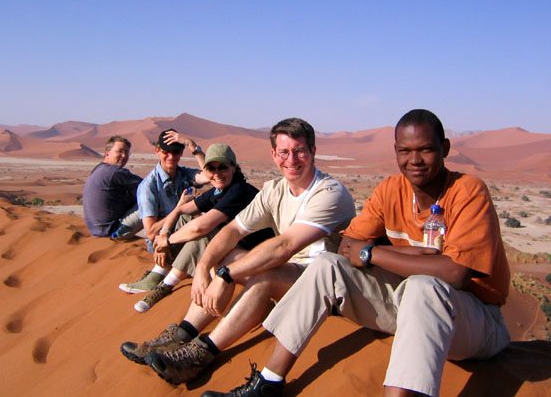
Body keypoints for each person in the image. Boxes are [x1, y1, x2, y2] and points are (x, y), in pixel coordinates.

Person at [201, 109, 511, 397]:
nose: (414, 160)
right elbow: (348, 247)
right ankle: (268, 382)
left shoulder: (468, 191)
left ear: (444, 148)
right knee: (327, 265)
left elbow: (455, 273)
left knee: (423, 285)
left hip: (475, 321)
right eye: (405, 151)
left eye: (425, 149)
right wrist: (415, 257)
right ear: (396, 152)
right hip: (407, 308)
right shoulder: (391, 189)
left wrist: (375, 254)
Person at [120, 117, 356, 385]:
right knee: (221, 253)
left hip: (324, 287)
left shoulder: (328, 192)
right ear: (274, 155)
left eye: (299, 150)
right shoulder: (274, 190)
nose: (291, 159)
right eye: (284, 152)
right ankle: (177, 337)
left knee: (264, 274)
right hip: (289, 272)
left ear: (313, 152)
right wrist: (202, 267)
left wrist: (224, 276)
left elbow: (285, 246)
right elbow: (232, 230)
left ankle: (197, 356)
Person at [131, 143, 274, 313]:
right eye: (211, 169)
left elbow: (201, 227)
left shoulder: (239, 190)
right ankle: (160, 271)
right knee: (185, 220)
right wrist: (164, 233)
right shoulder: (216, 191)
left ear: (234, 168)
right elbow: (182, 211)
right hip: (233, 249)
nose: (217, 174)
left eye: (223, 168)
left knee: (206, 233)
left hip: (255, 256)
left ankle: (166, 285)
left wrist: (166, 242)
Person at [119, 129, 209, 293]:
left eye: (176, 152)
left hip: (180, 234)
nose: (171, 156)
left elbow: (210, 175)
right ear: (157, 151)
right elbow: (151, 232)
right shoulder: (149, 186)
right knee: (195, 220)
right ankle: (163, 280)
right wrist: (180, 209)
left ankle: (161, 276)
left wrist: (191, 145)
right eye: (166, 151)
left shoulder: (183, 174)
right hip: (160, 244)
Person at [83, 136, 143, 238]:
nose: (124, 156)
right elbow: (148, 186)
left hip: (97, 230)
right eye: (119, 151)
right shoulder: (114, 172)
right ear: (107, 153)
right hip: (113, 230)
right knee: (156, 200)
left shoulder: (98, 170)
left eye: (126, 152)